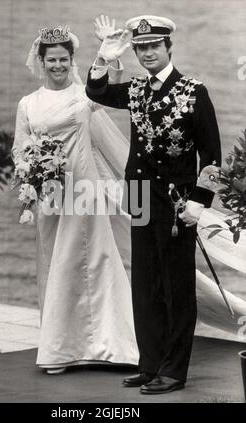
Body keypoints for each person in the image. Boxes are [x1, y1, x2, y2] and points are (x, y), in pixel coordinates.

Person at [86, 15, 222, 394]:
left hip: (178, 205)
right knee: (145, 284)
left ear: (168, 48)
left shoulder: (194, 91)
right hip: (142, 198)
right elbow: (95, 93)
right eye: (140, 48)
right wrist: (102, 56)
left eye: (153, 46)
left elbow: (212, 156)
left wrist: (200, 202)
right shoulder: (135, 91)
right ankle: (150, 365)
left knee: (176, 287)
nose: (147, 53)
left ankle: (174, 371)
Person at [11, 22, 139, 374]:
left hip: (86, 193)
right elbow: (19, 150)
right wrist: (32, 169)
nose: (58, 66)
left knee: (99, 262)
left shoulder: (85, 97)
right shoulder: (28, 104)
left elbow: (107, 90)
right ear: (41, 60)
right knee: (58, 266)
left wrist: (108, 56)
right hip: (52, 198)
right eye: (51, 60)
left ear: (71, 60)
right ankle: (60, 351)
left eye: (64, 59)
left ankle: (114, 348)